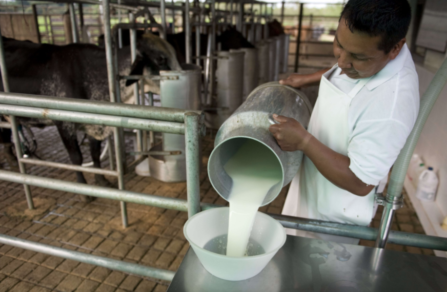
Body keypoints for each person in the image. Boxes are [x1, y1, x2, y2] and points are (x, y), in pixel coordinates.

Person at [269, 0, 419, 244]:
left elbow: (360, 182)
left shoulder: (390, 105)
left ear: (395, 48)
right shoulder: (371, 54)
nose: (341, 63)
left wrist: (304, 140)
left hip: (330, 221)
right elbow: (348, 64)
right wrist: (309, 78)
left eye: (358, 58)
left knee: (313, 278)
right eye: (338, 44)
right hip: (311, 189)